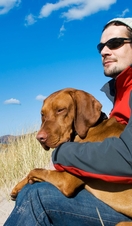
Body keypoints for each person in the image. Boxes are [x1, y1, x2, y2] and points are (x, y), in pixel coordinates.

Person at [4, 17, 132, 226]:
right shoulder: (118, 97)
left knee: (37, 197)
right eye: (101, 46)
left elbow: (69, 184)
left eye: (115, 43)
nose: (105, 51)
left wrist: (52, 161)